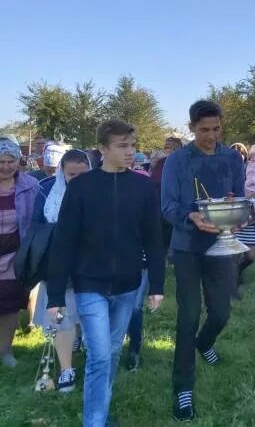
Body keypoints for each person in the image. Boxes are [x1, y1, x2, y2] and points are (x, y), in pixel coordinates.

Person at [46, 120, 165, 427]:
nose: (130, 152)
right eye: (122, 146)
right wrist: (56, 296)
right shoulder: (82, 187)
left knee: (111, 352)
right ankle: (95, 422)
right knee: (100, 355)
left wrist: (157, 284)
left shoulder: (143, 187)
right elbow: (63, 242)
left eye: (133, 145)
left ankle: (100, 408)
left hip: (128, 285)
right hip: (90, 285)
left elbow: (154, 238)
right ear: (102, 149)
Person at [161, 100, 245, 422]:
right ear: (192, 127)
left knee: (221, 312)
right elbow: (167, 206)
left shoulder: (231, 157)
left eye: (216, 128)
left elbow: (237, 197)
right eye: (203, 130)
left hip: (221, 245)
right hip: (187, 247)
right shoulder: (177, 161)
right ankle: (183, 387)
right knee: (189, 315)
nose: (211, 136)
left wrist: (236, 215)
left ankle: (205, 341)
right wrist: (191, 216)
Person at [31, 150, 91, 391]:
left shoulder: (102, 190)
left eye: (83, 174)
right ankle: (66, 369)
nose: (77, 180)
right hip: (59, 260)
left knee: (87, 310)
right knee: (62, 314)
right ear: (61, 172)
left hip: (91, 261)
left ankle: (87, 352)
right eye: (71, 175)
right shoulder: (47, 190)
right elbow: (36, 224)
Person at [0, 138, 39, 368]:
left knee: (10, 305)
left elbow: (36, 220)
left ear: (19, 160)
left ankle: (5, 350)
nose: (5, 166)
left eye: (10, 161)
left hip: (14, 255)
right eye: (1, 161)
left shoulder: (30, 186)